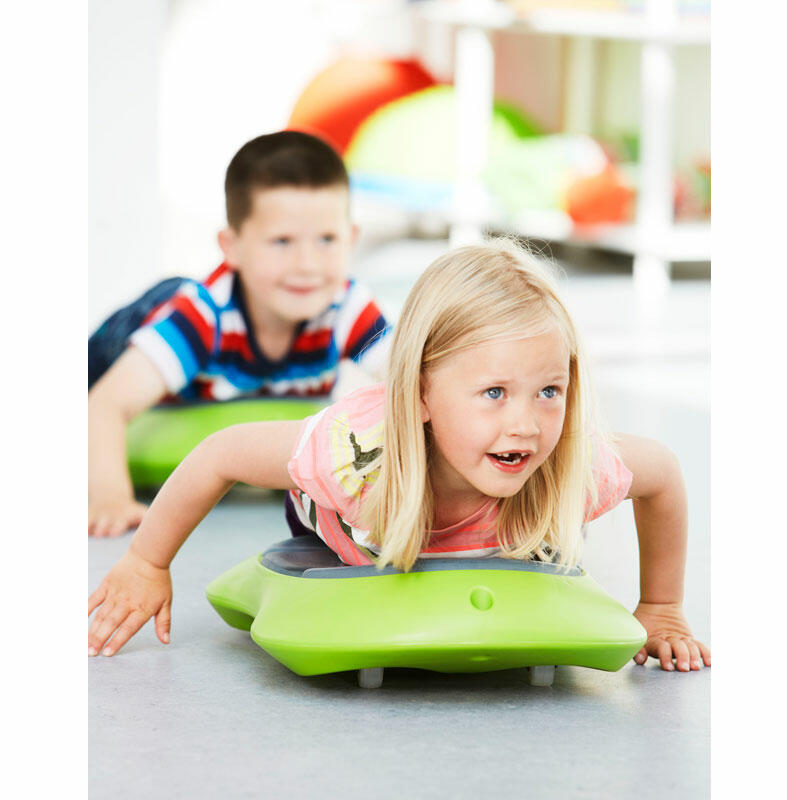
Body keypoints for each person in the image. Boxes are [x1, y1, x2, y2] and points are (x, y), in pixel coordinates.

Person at [88, 239, 711, 673]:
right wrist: (146, 562)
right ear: (418, 395)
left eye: (549, 391)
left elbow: (663, 475)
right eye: (494, 393)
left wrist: (662, 606)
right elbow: (220, 453)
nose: (525, 423)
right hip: (350, 516)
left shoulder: (569, 463)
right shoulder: (350, 460)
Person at [88, 131, 392, 538]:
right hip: (127, 339)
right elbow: (104, 406)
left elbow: (409, 371)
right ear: (231, 246)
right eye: (282, 241)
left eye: (327, 240)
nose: (307, 264)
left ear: (351, 239)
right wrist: (108, 498)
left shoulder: (345, 302)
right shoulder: (203, 317)